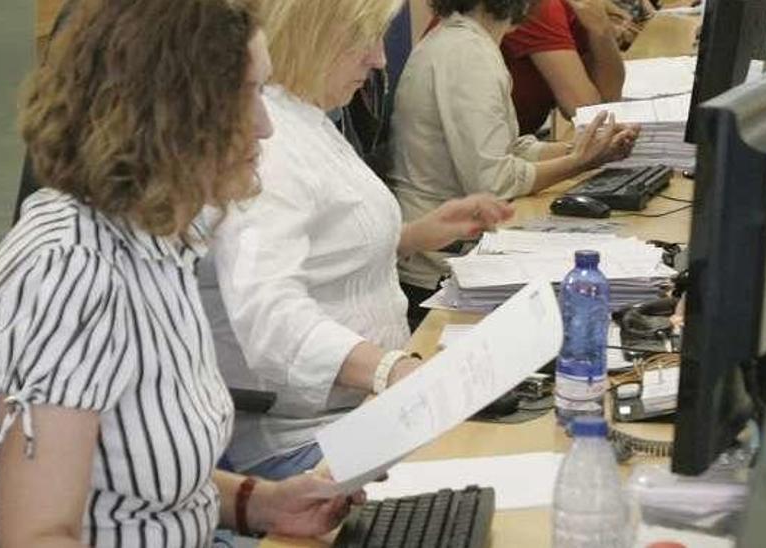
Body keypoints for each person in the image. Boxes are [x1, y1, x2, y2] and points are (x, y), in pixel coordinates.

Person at [0, 1, 356, 546]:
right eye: (247, 96)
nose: (265, 126)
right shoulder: (66, 274)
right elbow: (37, 537)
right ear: (172, 111)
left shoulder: (158, 239)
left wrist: (262, 505)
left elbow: (134, 476)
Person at [199, 0, 515, 482]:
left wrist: (413, 235)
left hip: (360, 412)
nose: (380, 60)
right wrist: (392, 370)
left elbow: (317, 258)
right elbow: (269, 314)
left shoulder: (306, 114)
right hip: (306, 439)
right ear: (314, 34)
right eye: (363, 40)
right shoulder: (267, 143)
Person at [388, 0, 638, 327]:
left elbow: (510, 148)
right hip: (440, 273)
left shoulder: (469, 41)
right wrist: (580, 162)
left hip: (458, 253)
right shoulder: (468, 55)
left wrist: (582, 147)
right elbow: (494, 182)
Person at [502, 0, 628, 135]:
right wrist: (602, 30)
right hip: (503, 144)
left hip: (521, 136)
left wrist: (602, 31)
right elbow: (588, 114)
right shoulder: (541, 6)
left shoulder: (583, 6)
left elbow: (609, 102)